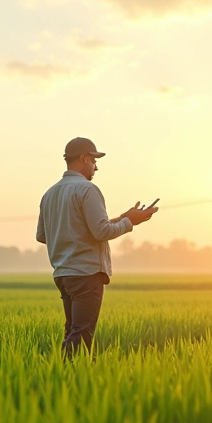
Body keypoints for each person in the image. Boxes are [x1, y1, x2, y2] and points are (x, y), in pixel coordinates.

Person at [36, 137, 157, 355]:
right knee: (81, 334)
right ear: (84, 158)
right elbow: (102, 232)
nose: (96, 167)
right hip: (86, 273)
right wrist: (130, 222)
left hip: (63, 274)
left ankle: (64, 372)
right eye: (94, 161)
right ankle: (64, 370)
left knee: (73, 330)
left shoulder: (49, 193)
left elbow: (43, 236)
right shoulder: (87, 189)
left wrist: (123, 217)